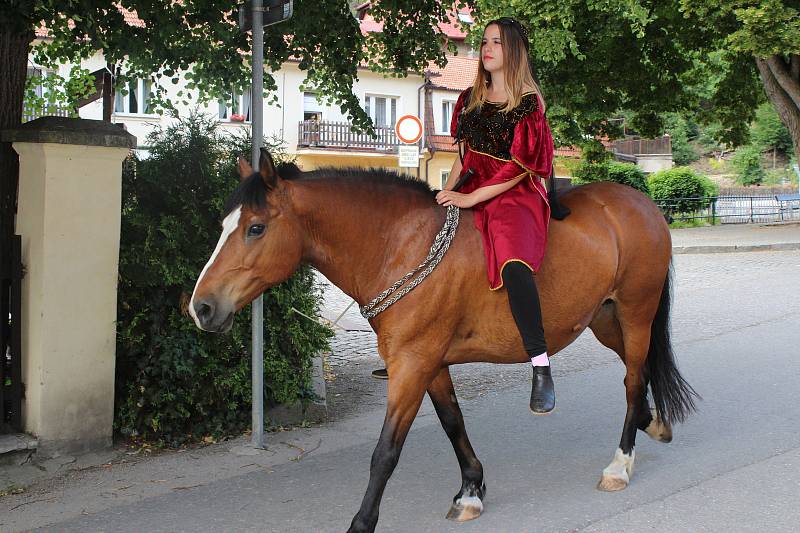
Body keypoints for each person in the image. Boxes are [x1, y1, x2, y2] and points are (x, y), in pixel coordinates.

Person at [435, 17, 556, 413]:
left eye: (497, 43)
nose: (487, 49)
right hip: (472, 185)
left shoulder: (527, 103)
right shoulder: (470, 97)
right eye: (484, 41)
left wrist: (472, 200)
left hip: (514, 194)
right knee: (428, 245)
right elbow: (464, 156)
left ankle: (540, 365)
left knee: (514, 263)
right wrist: (449, 192)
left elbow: (518, 167)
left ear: (514, 51)